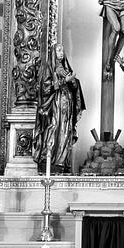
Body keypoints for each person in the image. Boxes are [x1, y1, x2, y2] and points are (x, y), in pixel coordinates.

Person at [32, 43, 86, 173]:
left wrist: (73, 82)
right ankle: (49, 158)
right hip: (54, 103)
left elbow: (74, 86)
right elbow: (45, 88)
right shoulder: (49, 68)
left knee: (65, 130)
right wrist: (63, 81)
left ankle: (62, 160)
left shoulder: (66, 68)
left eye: (62, 50)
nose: (61, 53)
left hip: (67, 103)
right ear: (53, 53)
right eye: (59, 50)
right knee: (54, 126)